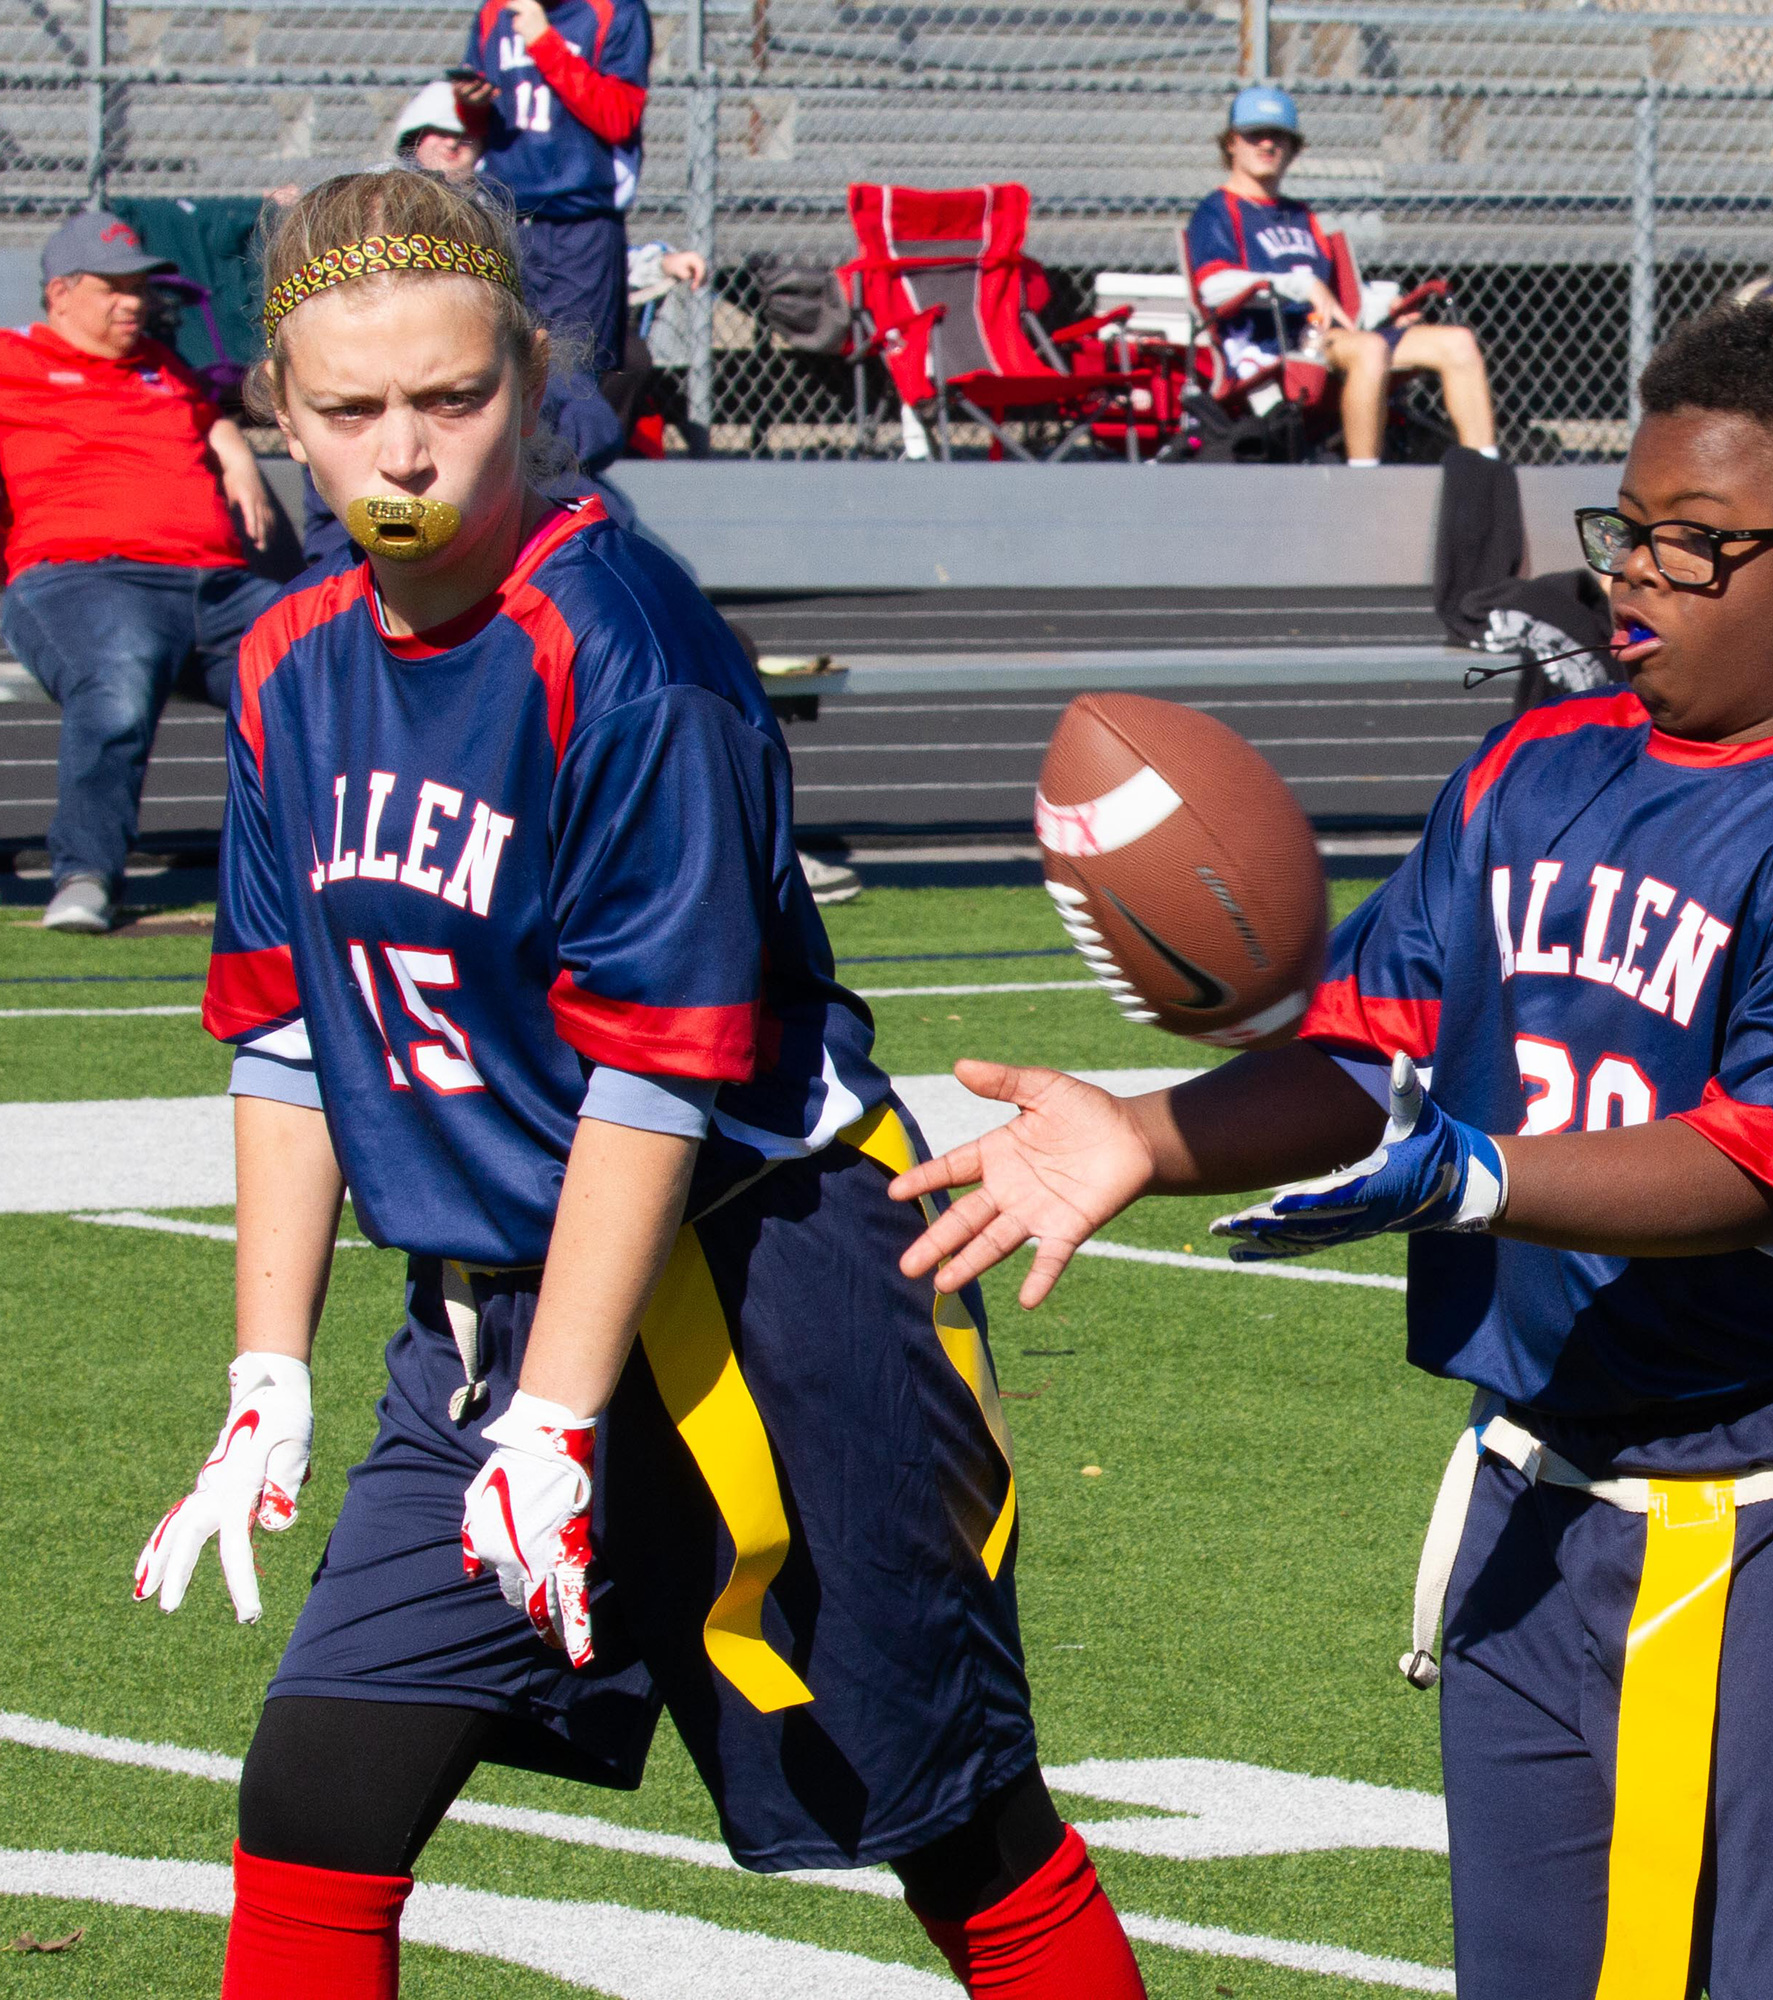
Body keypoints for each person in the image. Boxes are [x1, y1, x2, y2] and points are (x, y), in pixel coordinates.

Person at [888, 304, 1773, 1999]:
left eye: (1699, 546)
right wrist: (1144, 1134)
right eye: (1628, 530)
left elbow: (1763, 1169)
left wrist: (1476, 1176)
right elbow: (1370, 1054)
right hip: (1544, 1503)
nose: (1637, 579)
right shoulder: (1538, 761)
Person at [132, 169, 1144, 2000]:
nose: (404, 453)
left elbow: (652, 1087)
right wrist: (263, 1371)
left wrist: (556, 1425)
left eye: (453, 397)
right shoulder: (288, 658)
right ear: (278, 411)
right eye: (351, 409)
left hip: (766, 1291)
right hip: (491, 1313)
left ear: (535, 379)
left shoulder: (629, 649)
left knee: (951, 1823)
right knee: (317, 1805)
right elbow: (284, 1038)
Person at [0, 209, 284, 932]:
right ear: (61, 293)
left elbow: (204, 413)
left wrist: (234, 449)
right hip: (84, 580)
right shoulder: (3, 359)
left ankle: (325, 873)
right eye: (114, 288)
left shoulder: (160, 364)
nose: (134, 302)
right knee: (115, 686)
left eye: (139, 287)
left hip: (217, 588)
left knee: (323, 665)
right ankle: (86, 876)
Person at [1188, 84, 1497, 466]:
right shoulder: (1217, 210)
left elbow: (1337, 296)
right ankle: (1363, 475)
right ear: (1231, 143)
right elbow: (1213, 288)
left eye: (1279, 137)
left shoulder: (1301, 215)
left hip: (1330, 337)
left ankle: (1487, 473)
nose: (1267, 144)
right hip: (1274, 346)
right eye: (1255, 135)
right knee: (1370, 349)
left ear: (1293, 148)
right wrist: (1299, 286)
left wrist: (1387, 308)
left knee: (1458, 343)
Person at [459, 0, 649, 375]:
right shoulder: (495, 10)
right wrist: (469, 103)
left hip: (580, 223)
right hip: (505, 220)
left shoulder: (617, 10)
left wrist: (544, 42)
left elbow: (619, 117)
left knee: (575, 375)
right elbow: (481, 125)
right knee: (503, 369)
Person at [391, 77, 484, 180]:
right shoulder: (387, 188)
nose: (452, 144)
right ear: (413, 137)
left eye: (463, 136)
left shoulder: (496, 189)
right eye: (441, 133)